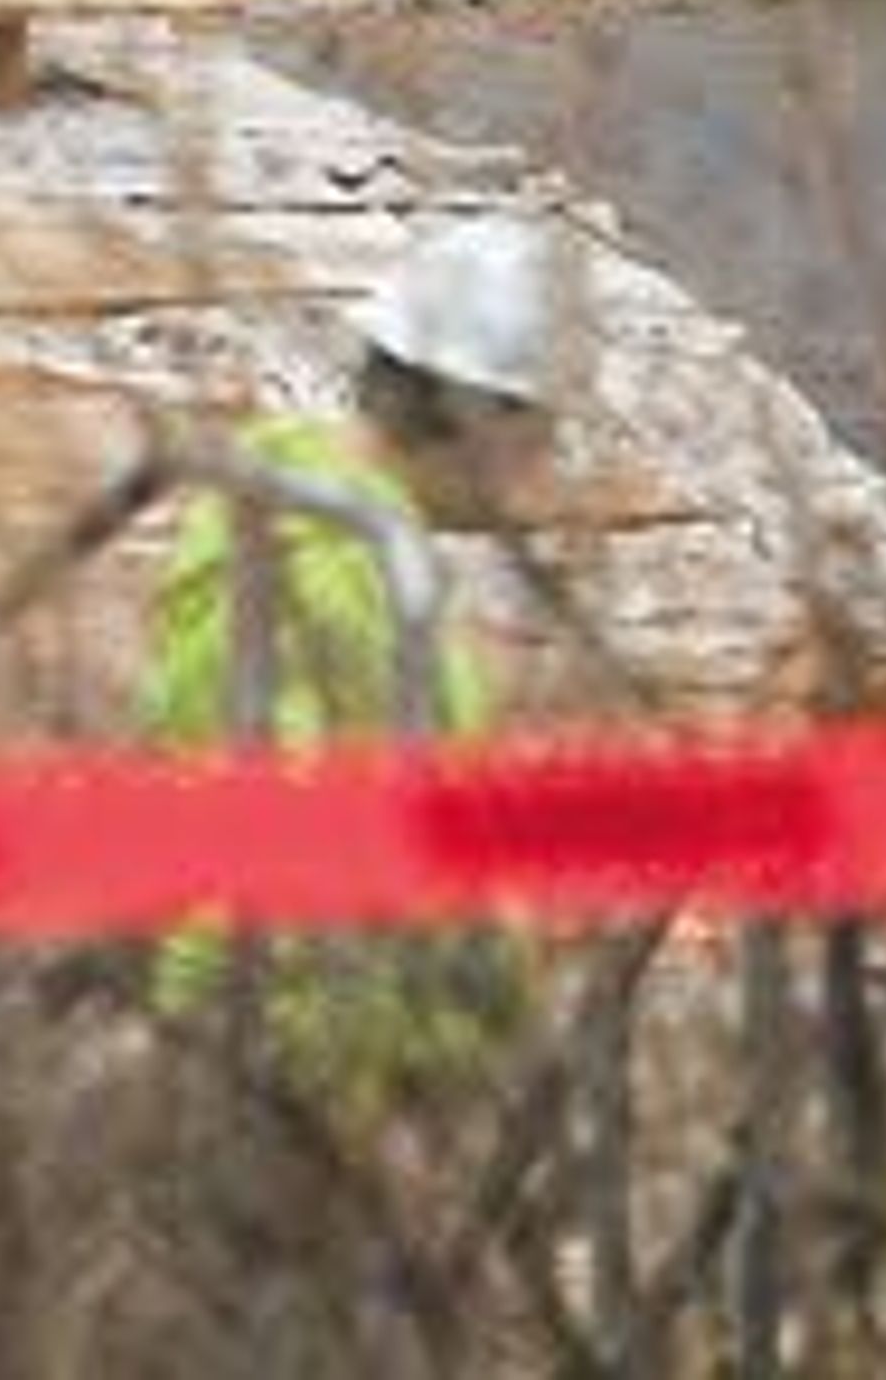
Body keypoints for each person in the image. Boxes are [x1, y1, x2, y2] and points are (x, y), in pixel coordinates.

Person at [139, 213, 578, 1109]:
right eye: (541, 431)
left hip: (236, 1001)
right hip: (310, 1070)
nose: (547, 463)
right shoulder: (358, 588)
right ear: (479, 419)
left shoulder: (263, 496)